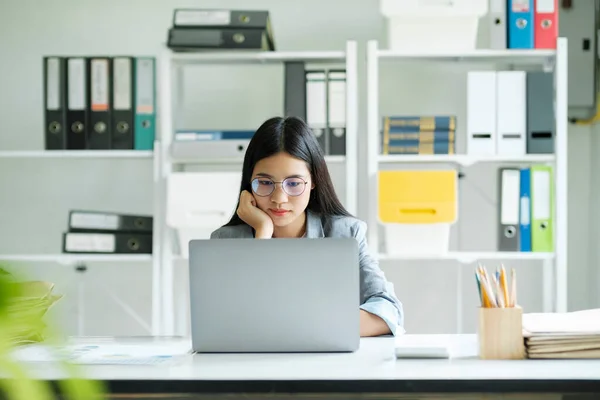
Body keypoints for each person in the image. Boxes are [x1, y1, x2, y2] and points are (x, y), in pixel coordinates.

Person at [210, 116, 404, 337]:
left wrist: (301, 328)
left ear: (313, 181)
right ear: (249, 183)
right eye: (264, 183)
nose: (279, 198)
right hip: (250, 366)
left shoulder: (346, 234)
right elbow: (225, 320)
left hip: (323, 365)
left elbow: (389, 311)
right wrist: (262, 233)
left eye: (293, 183)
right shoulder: (225, 241)